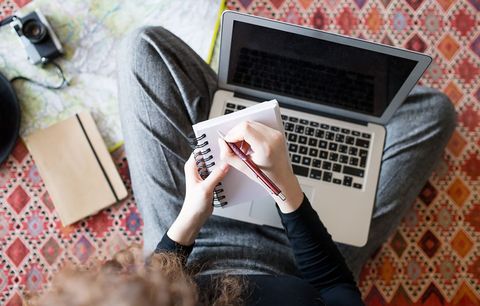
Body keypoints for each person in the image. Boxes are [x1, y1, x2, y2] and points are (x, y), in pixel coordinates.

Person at [31, 25, 456, 306]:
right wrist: (286, 187)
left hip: (193, 243)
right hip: (301, 264)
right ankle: (266, 107)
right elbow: (334, 286)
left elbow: (151, 279)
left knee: (144, 46)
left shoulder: (136, 298)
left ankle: (239, 109)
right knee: (432, 113)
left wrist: (186, 222)